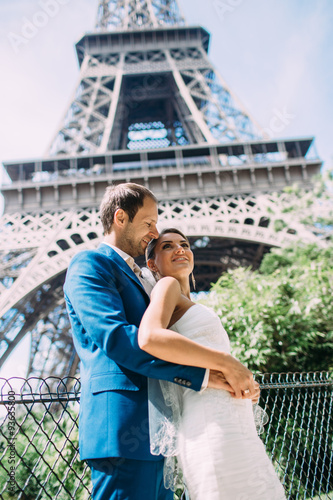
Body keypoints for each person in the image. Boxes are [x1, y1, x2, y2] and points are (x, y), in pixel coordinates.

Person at [63, 183, 255, 500]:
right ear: (121, 217)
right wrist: (208, 374)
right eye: (149, 222)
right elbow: (118, 339)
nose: (155, 231)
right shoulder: (90, 264)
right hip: (123, 427)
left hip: (162, 430)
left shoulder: (146, 279)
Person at [138, 228, 287, 500]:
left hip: (231, 421)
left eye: (184, 244)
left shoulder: (187, 300)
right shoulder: (167, 286)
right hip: (211, 424)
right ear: (151, 264)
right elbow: (150, 337)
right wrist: (227, 362)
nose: (180, 249)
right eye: (168, 246)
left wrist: (241, 382)